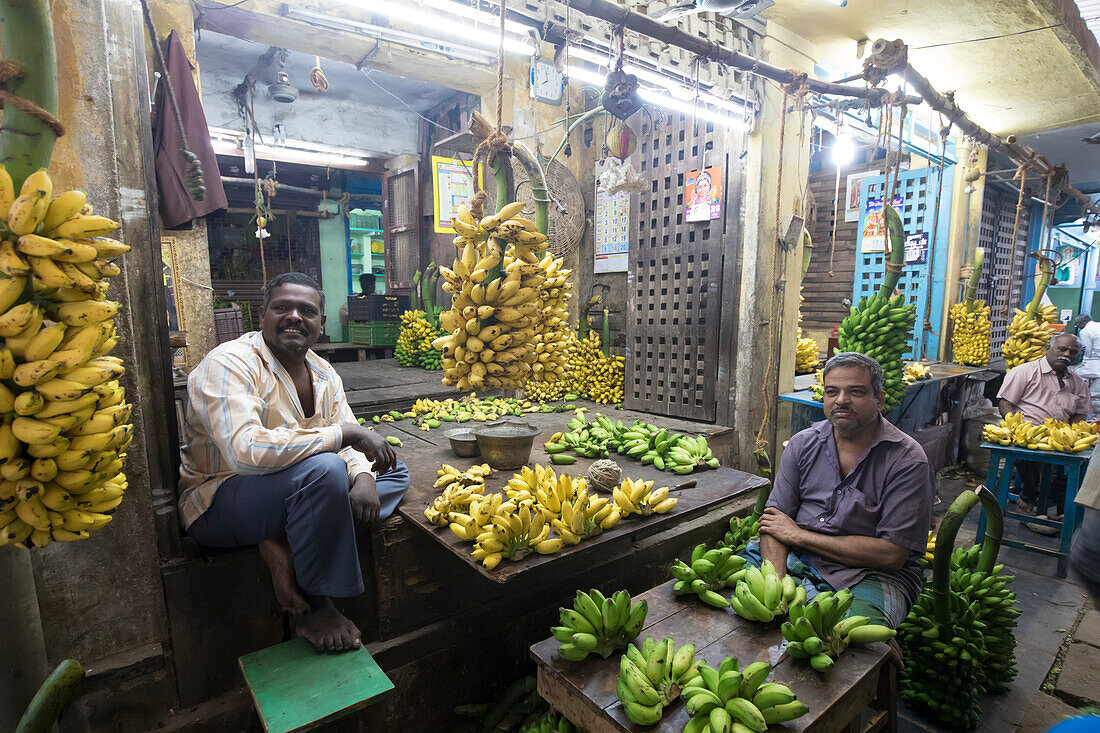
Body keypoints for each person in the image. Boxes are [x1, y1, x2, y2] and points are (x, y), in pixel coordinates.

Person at [178, 272, 409, 653]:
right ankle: (316, 604)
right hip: (220, 499)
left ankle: (280, 543)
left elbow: (347, 429)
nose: (294, 317)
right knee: (326, 470)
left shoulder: (322, 372)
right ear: (264, 315)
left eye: (307, 311)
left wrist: (365, 476)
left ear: (321, 322)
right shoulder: (230, 363)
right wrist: (344, 438)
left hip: (292, 492)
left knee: (390, 469)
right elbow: (245, 450)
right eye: (282, 307)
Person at [750, 352, 935, 629]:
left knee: (847, 643)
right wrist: (775, 587)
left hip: (871, 575)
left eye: (856, 392)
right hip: (796, 556)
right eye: (832, 391)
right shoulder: (802, 445)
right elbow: (776, 522)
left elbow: (891, 555)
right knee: (737, 607)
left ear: (880, 399)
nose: (841, 400)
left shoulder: (907, 460)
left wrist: (800, 535)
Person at [998, 333, 1089, 526]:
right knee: (1028, 450)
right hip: (1028, 431)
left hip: (1059, 436)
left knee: (1076, 467)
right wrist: (1014, 427)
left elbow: (1080, 413)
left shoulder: (1077, 383)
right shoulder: (1025, 372)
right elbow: (1005, 403)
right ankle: (1029, 492)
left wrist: (1073, 432)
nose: (1067, 355)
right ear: (1048, 348)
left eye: (1072, 352)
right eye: (1062, 349)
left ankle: (1062, 512)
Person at [1074, 314, 1100, 417]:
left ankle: (1088, 417)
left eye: (1077, 325)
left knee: (1088, 394)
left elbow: (1086, 350)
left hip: (1092, 365)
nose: (1078, 327)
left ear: (1082, 323)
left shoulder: (1085, 331)